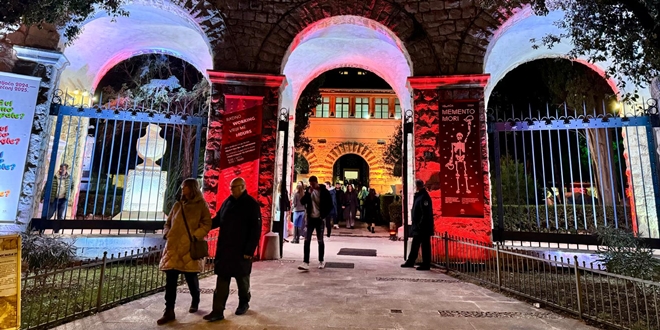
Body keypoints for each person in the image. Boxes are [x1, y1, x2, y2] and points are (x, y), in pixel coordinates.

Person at [203, 178, 262, 322]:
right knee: (222, 280)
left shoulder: (251, 205)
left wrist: (249, 250)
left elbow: (256, 230)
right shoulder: (227, 202)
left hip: (241, 251)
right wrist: (205, 226)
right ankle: (217, 310)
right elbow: (218, 219)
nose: (231, 190)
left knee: (242, 280)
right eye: (230, 187)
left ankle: (244, 302)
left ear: (242, 187)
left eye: (233, 187)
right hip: (225, 250)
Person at [157, 178, 212, 325]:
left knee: (191, 278)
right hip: (173, 247)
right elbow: (168, 223)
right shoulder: (177, 205)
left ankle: (195, 299)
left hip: (189, 246)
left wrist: (196, 235)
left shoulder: (201, 205)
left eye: (185, 187)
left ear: (192, 188)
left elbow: (207, 223)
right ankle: (169, 310)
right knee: (171, 281)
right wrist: (167, 233)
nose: (182, 189)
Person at [298, 176, 332, 271]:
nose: (312, 186)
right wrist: (308, 194)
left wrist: (324, 215)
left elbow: (330, 205)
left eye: (313, 184)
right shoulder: (309, 191)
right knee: (307, 239)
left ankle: (321, 260)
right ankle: (306, 262)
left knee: (320, 240)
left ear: (317, 182)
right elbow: (302, 201)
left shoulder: (324, 192)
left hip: (319, 219)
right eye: (310, 184)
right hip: (310, 219)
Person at [401, 179, 434, 271]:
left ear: (418, 186)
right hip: (418, 226)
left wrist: (420, 224)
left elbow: (425, 213)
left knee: (425, 246)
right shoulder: (419, 196)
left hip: (423, 227)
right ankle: (410, 261)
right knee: (415, 244)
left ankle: (425, 264)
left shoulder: (424, 197)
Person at [44, 164, 72, 233]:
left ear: (66, 170)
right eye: (61, 169)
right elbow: (46, 187)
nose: (61, 170)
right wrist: (43, 196)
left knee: (60, 216)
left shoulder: (69, 178)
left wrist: (69, 194)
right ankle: (42, 228)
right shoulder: (54, 177)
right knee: (49, 214)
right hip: (54, 198)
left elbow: (72, 186)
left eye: (63, 169)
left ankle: (57, 230)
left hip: (63, 199)